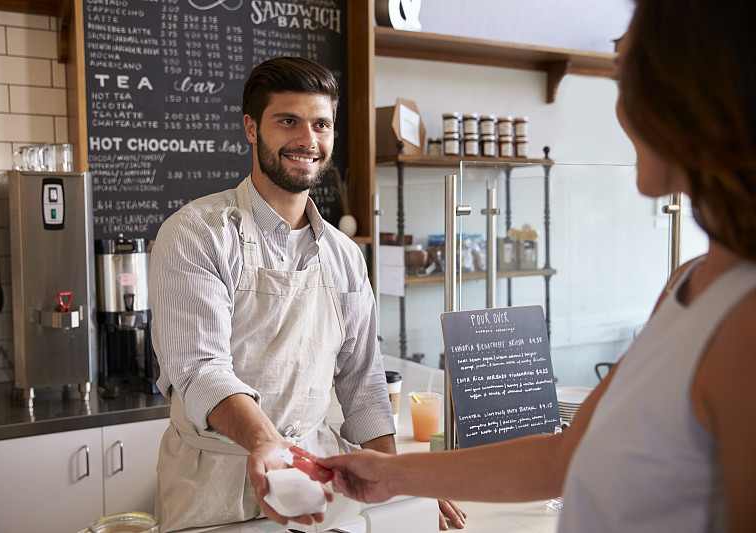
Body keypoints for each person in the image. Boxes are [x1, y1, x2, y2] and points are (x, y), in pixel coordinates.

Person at [318, 0, 756, 531]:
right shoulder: (689, 282)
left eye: (628, 73)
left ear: (703, 93)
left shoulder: (746, 321)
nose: (620, 108)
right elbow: (564, 456)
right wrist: (393, 476)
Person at [149, 56, 466, 531]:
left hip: (318, 482)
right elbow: (198, 370)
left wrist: (402, 481)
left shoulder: (345, 255)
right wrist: (265, 442)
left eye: (321, 124)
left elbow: (362, 384)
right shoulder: (197, 233)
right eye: (288, 121)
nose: (308, 140)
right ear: (252, 128)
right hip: (213, 489)